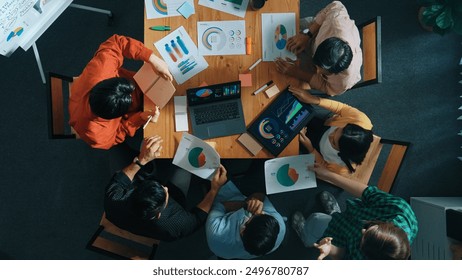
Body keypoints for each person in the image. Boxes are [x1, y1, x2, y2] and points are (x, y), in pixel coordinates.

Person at [104, 135, 227, 241]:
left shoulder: (113, 198)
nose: (166, 188)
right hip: (175, 197)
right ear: (158, 215)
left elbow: (120, 179)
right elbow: (198, 218)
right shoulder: (177, 226)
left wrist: (142, 159)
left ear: (134, 190)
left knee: (116, 143)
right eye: (165, 192)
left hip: (125, 216)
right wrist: (214, 189)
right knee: (186, 162)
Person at [292, 164, 418, 260]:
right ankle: (336, 214)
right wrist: (328, 175)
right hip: (353, 216)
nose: (362, 230)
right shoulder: (399, 209)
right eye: (369, 228)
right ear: (389, 226)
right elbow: (367, 192)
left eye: (363, 238)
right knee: (326, 218)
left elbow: (344, 254)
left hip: (340, 235)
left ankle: (307, 237)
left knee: (316, 220)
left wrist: (330, 249)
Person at [69, 34, 173, 150]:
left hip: (143, 82)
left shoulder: (101, 71)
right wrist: (140, 118)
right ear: (114, 117)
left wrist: (152, 59)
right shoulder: (96, 135)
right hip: (136, 115)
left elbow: (117, 42)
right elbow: (118, 135)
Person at [275, 1, 362, 96]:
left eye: (325, 74)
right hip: (315, 31)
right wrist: (307, 35)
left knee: (281, 78)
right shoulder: (336, 21)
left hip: (309, 71)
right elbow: (336, 5)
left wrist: (297, 72)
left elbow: (325, 87)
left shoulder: (344, 81)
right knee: (277, 25)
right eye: (318, 67)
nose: (317, 72)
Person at [290, 86, 373, 175]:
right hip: (326, 123)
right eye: (337, 130)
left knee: (289, 142)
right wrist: (313, 99)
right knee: (298, 108)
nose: (330, 135)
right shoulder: (361, 120)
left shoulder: (342, 168)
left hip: (315, 147)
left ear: (341, 153)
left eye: (333, 142)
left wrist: (310, 147)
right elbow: (342, 108)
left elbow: (323, 165)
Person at [206, 182, 286, 259]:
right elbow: (261, 196)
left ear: (243, 229)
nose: (260, 211)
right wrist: (256, 201)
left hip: (225, 198)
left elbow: (218, 206)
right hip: (246, 195)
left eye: (254, 216)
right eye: (262, 214)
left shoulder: (216, 234)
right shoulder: (279, 225)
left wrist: (245, 205)